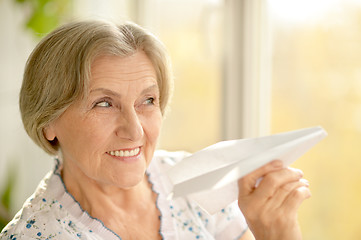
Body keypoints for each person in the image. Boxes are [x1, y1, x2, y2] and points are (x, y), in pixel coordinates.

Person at [0, 19, 310, 240]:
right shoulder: (35, 235)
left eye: (147, 100)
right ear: (48, 121)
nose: (134, 131)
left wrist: (278, 232)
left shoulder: (192, 180)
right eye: (104, 104)